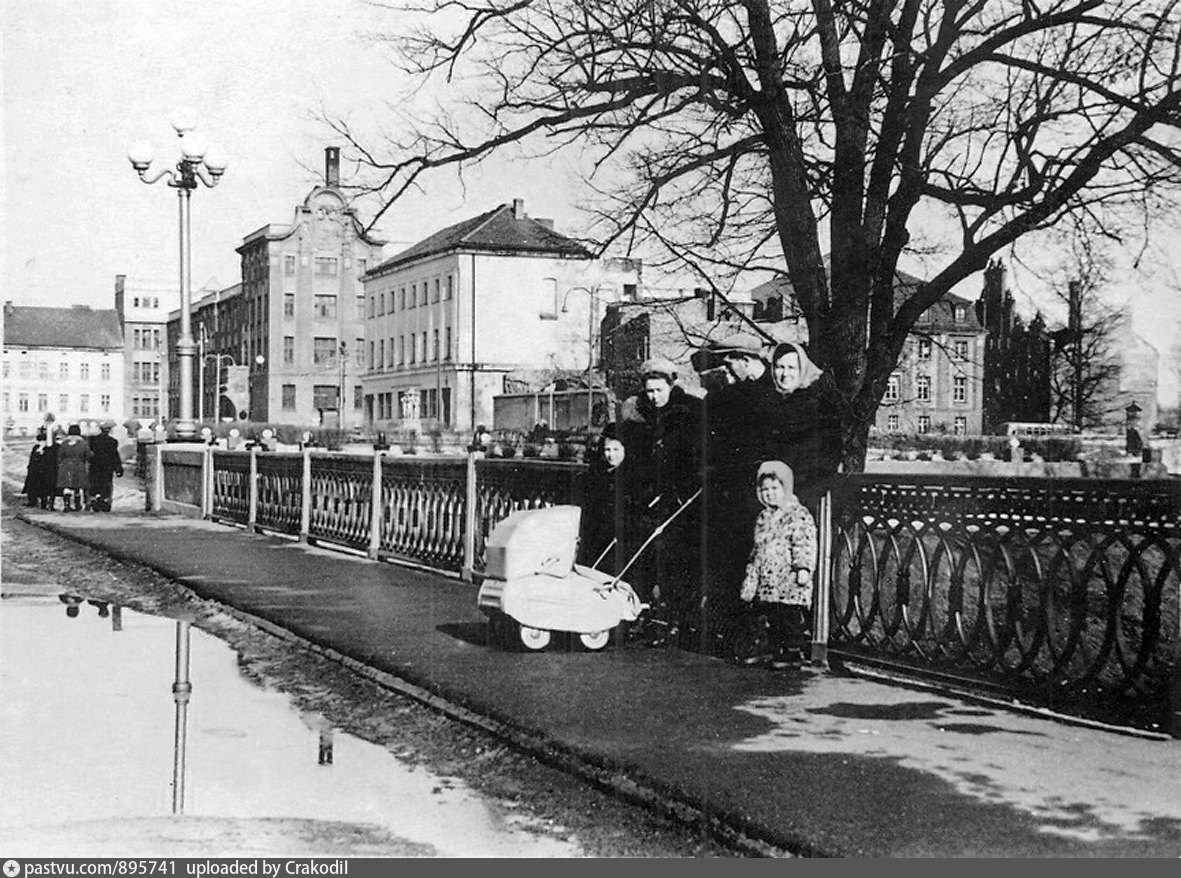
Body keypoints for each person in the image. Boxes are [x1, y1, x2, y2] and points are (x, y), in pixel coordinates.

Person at [616, 357, 704, 642]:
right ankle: (645, 615)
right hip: (648, 499)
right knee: (645, 559)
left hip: (679, 500)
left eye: (659, 390)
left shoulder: (689, 412)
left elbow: (695, 457)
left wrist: (683, 489)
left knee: (676, 561)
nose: (654, 397)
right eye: (649, 391)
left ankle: (675, 619)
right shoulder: (637, 414)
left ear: (671, 385)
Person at [735, 461, 818, 669]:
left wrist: (803, 568)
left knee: (788, 616)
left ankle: (792, 652)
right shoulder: (764, 517)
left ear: (786, 488)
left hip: (788, 577)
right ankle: (769, 649)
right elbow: (758, 545)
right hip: (767, 578)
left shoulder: (797, 515)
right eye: (764, 490)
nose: (769, 494)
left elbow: (804, 542)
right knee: (768, 614)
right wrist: (753, 569)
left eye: (774, 488)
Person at [758, 341, 843, 512]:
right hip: (767, 498)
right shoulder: (767, 404)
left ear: (802, 370)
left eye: (791, 368)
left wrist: (798, 495)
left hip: (801, 499)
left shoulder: (819, 406)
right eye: (779, 367)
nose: (784, 374)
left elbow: (826, 459)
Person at [579, 426, 630, 574]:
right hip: (600, 536)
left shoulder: (632, 477)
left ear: (625, 450)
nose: (611, 455)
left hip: (622, 539)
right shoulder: (597, 474)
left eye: (616, 450)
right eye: (608, 450)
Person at [87, 420, 124, 512]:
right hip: (107, 467)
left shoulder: (93, 440)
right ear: (109, 430)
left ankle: (95, 499)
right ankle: (105, 501)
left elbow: (89, 454)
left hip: (95, 466)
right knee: (106, 484)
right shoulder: (113, 441)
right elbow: (115, 455)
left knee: (95, 484)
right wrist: (118, 468)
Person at [55, 423, 92, 512]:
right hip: (79, 466)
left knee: (66, 487)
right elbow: (88, 455)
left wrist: (61, 464)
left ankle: (66, 505)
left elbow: (59, 456)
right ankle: (77, 505)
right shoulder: (83, 444)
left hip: (66, 466)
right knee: (77, 487)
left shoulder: (64, 443)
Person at [21, 428, 58, 509]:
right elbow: (32, 460)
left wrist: (43, 453)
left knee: (45, 488)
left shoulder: (49, 449)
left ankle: (45, 503)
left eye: (43, 441)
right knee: (33, 487)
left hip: (46, 473)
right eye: (40, 441)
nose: (41, 443)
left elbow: (50, 460)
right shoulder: (36, 448)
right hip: (35, 472)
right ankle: (32, 501)